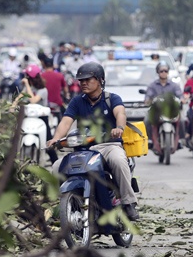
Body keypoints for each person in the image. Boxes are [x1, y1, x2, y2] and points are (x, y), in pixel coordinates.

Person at [46, 62, 140, 221]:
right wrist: (56, 138)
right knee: (56, 166)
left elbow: (121, 114)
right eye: (81, 80)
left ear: (100, 80)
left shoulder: (112, 99)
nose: (83, 83)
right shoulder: (77, 102)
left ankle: (128, 203)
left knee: (118, 160)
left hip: (109, 145)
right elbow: (66, 122)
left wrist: (119, 128)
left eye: (88, 80)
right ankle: (61, 205)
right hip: (84, 149)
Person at [145, 62, 183, 155]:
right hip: (156, 111)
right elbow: (148, 96)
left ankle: (180, 140)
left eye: (165, 71)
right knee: (146, 120)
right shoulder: (152, 85)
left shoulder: (174, 85)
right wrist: (147, 100)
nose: (163, 73)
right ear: (158, 72)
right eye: (161, 71)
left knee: (183, 120)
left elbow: (179, 95)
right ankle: (149, 140)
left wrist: (182, 99)